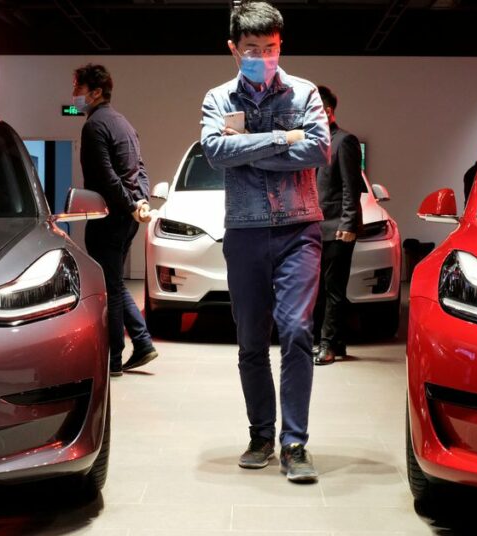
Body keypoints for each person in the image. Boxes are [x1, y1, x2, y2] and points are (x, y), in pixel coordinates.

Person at [200, 1, 330, 483]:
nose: (263, 57)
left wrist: (250, 151)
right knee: (251, 340)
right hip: (246, 231)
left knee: (296, 331)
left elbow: (317, 149)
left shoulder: (305, 91)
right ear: (234, 49)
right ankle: (261, 434)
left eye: (271, 48)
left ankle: (294, 443)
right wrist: (281, 138)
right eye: (253, 49)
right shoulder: (218, 98)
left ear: (281, 45)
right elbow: (215, 152)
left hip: (300, 228)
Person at [72, 63, 158, 377]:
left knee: (110, 286)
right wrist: (140, 201)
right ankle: (142, 343)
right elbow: (141, 168)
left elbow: (107, 178)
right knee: (116, 283)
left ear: (95, 92)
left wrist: (130, 204)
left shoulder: (94, 126)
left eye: (78, 88)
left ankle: (115, 360)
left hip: (109, 216)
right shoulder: (123, 123)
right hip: (128, 216)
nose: (74, 95)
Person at [312, 85, 363, 366]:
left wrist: (347, 223)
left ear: (328, 112)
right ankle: (336, 342)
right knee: (319, 290)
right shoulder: (315, 143)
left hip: (338, 229)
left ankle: (328, 345)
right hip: (316, 229)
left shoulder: (345, 141)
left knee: (333, 290)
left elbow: (350, 187)